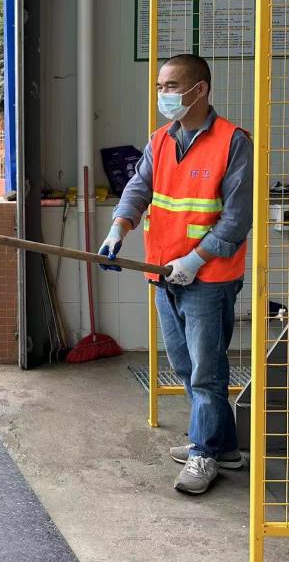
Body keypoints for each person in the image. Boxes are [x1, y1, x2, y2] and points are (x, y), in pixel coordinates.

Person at [100, 53, 253, 495]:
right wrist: (118, 228)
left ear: (199, 89)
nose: (164, 95)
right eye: (160, 87)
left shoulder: (233, 142)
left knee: (207, 370)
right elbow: (139, 187)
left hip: (209, 277)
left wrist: (195, 260)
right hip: (162, 273)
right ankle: (223, 448)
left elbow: (236, 219)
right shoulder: (161, 140)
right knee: (185, 366)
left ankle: (204, 452)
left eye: (171, 86)